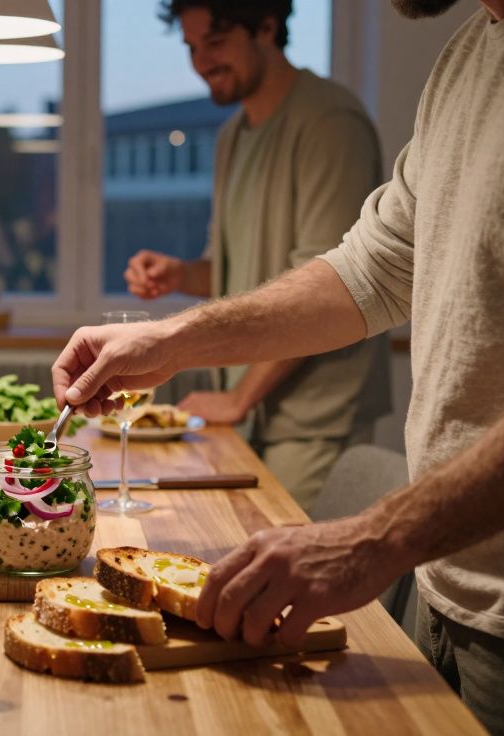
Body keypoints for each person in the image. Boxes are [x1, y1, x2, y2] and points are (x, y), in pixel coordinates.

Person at [54, 0, 504, 732]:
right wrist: (170, 342)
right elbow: (369, 270)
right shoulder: (468, 54)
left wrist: (375, 538)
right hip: (451, 582)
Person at [124, 0, 391, 511]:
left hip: (313, 423)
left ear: (267, 27)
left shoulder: (331, 121)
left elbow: (331, 288)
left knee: (286, 574)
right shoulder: (233, 136)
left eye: (216, 42)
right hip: (246, 413)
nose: (201, 62)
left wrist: (239, 397)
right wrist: (181, 273)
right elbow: (239, 275)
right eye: (192, 47)